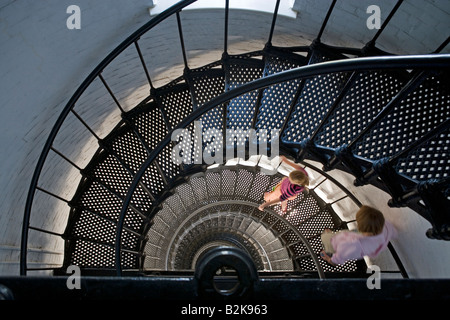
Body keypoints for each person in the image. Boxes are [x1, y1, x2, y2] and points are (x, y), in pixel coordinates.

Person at [320, 205, 397, 266]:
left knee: (324, 237)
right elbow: (393, 232)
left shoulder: (350, 245)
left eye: (358, 222)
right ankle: (332, 237)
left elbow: (338, 259)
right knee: (343, 234)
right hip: (358, 239)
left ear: (361, 228)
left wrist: (329, 259)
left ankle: (328, 252)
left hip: (338, 244)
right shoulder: (385, 226)